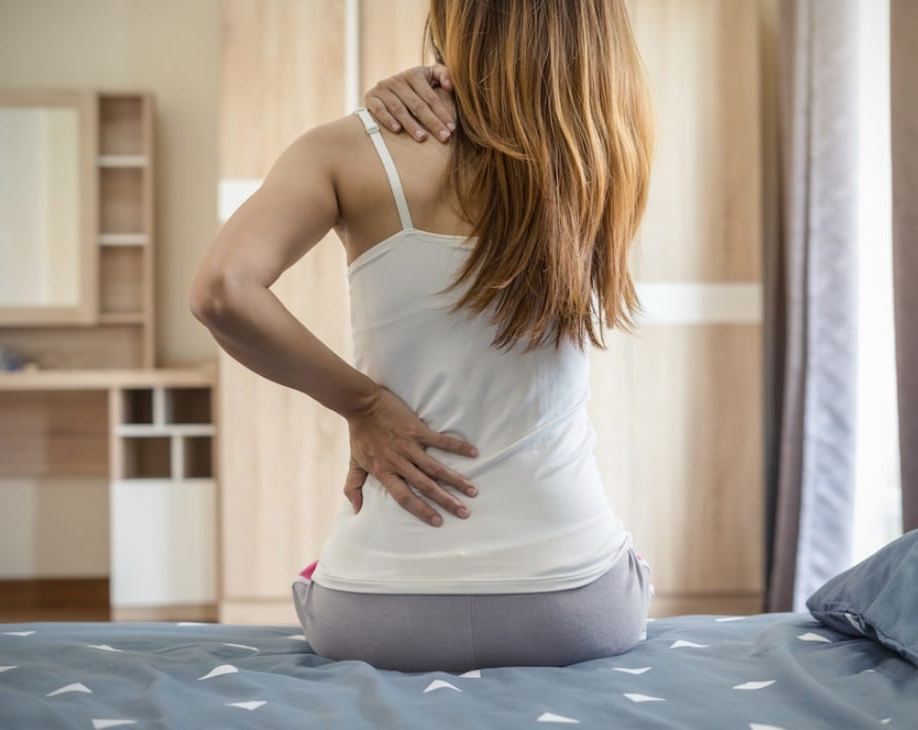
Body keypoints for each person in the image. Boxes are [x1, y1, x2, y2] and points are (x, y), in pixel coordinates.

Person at [190, 0, 655, 673]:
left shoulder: (349, 149)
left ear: (457, 22)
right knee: (625, 560)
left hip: (376, 614)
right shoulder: (608, 156)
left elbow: (221, 289)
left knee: (328, 565)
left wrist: (366, 407)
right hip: (575, 608)